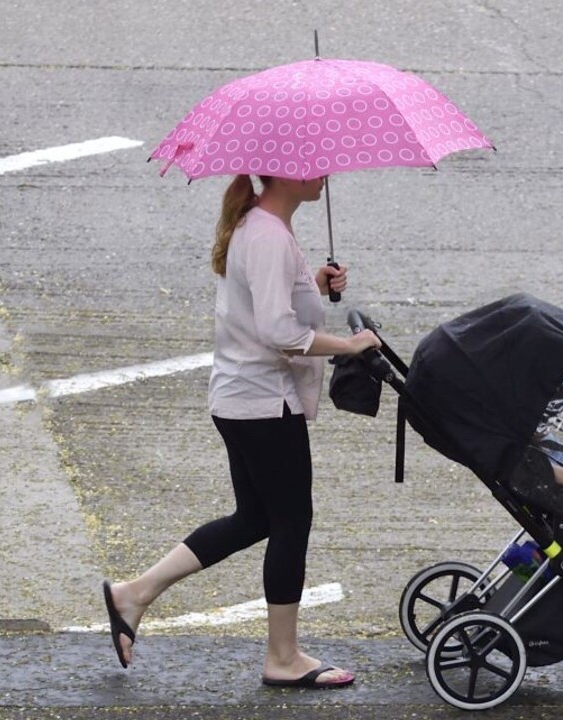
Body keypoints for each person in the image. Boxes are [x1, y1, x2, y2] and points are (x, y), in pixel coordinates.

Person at [102, 173, 381, 689]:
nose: (323, 172)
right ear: (287, 172)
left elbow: (262, 302)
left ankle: (134, 594)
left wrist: (313, 284)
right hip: (263, 402)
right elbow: (278, 332)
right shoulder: (269, 234)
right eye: (313, 164)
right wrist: (349, 345)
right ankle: (283, 657)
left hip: (240, 397)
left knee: (255, 518)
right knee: (291, 521)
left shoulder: (257, 223)